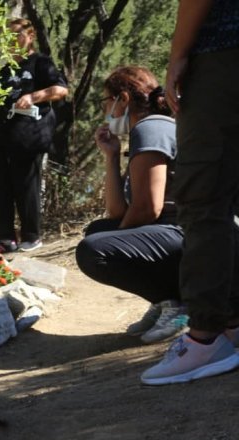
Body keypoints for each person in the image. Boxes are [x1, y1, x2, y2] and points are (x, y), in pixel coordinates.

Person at [141, 0, 239, 385]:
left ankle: (204, 338)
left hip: (223, 53)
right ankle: (230, 323)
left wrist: (178, 55)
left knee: (204, 198)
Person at [75, 66, 186, 344]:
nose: (106, 112)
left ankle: (179, 303)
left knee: (94, 250)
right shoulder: (143, 133)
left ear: (122, 99)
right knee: (99, 231)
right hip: (172, 234)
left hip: (188, 234)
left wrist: (116, 238)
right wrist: (110, 157)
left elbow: (149, 208)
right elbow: (118, 213)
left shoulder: (151, 129)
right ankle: (164, 298)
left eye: (106, 102)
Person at [0, 18, 68, 253]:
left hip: (29, 135)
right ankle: (4, 238)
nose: (13, 42)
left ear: (30, 36)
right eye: (8, 38)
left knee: (26, 185)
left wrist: (34, 96)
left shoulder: (40, 63)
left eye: (17, 36)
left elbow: (61, 90)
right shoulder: (3, 71)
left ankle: (31, 236)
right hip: (1, 137)